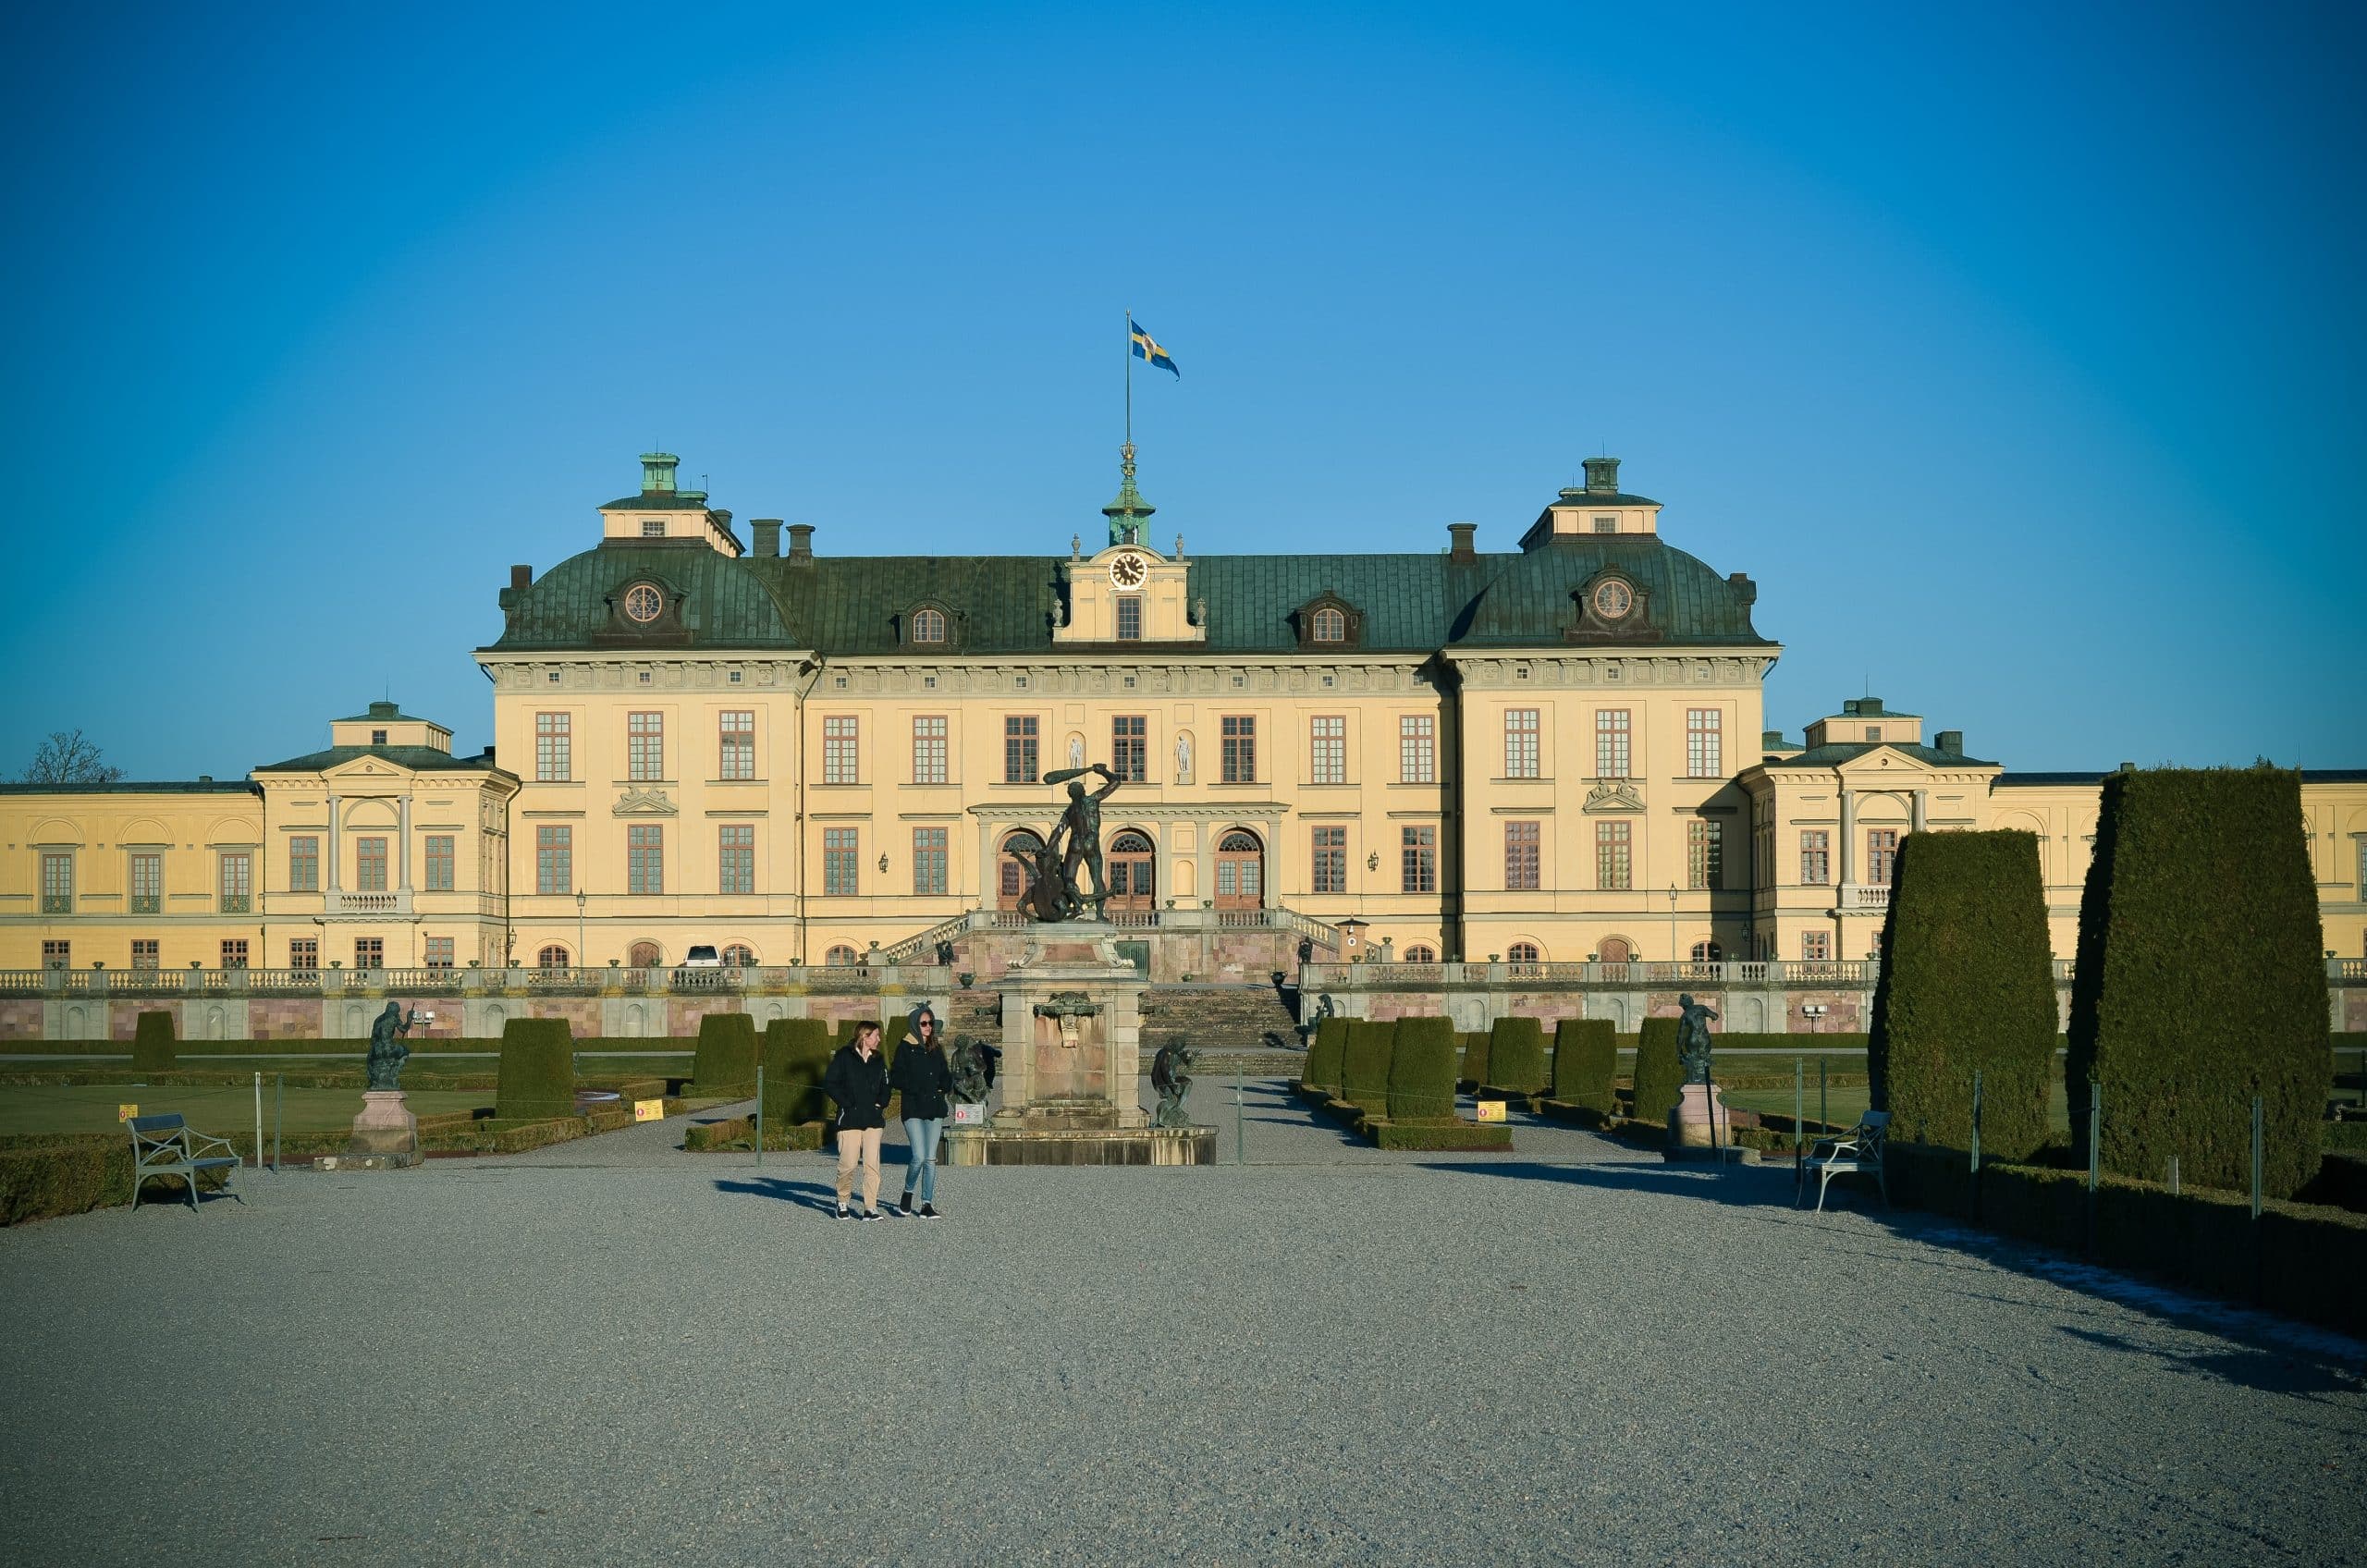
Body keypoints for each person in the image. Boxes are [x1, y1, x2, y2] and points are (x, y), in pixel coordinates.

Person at [823, 1021, 894, 1220]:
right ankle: (842, 1200)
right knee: (848, 1164)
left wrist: (881, 1103)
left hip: (873, 1120)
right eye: (876, 1036)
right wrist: (846, 1103)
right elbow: (830, 1082)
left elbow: (887, 1085)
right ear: (864, 1036)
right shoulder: (844, 1056)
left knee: (872, 1165)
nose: (879, 1039)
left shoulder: (879, 1059)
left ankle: (870, 1207)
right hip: (849, 1120)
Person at [892, 1005, 953, 1218]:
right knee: (918, 1157)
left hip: (934, 1107)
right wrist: (918, 1088)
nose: (928, 1027)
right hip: (914, 1107)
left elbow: (945, 1073)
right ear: (915, 1025)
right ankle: (908, 1192)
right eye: (924, 1023)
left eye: (930, 1023)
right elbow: (896, 1077)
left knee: (930, 1159)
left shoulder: (936, 1047)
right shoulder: (905, 1047)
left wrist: (944, 1085)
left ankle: (926, 1203)